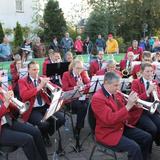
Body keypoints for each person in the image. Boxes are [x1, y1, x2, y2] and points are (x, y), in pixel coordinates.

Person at [91, 72, 152, 160]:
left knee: (147, 137)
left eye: (119, 85)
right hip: (108, 132)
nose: (118, 88)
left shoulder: (115, 92)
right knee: (134, 148)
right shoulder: (98, 98)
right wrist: (128, 106)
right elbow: (110, 119)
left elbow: (123, 105)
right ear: (106, 83)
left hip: (120, 126)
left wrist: (134, 104)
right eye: (116, 85)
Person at [0, 72, 48, 160]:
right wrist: (6, 103)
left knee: (36, 132)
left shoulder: (1, 89)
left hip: (9, 121)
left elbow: (10, 110)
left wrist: (15, 103)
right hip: (1, 129)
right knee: (27, 139)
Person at [18, 61, 65, 146]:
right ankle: (44, 135)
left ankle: (44, 133)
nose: (36, 72)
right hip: (32, 109)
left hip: (45, 106)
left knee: (61, 119)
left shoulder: (42, 78)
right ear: (28, 70)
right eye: (34, 69)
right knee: (43, 124)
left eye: (37, 69)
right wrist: (39, 87)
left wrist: (55, 88)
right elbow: (24, 95)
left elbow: (55, 87)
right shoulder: (22, 81)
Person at [62, 59, 90, 150]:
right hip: (71, 99)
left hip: (82, 97)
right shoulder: (66, 74)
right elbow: (65, 88)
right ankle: (78, 128)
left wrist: (84, 85)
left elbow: (89, 83)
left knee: (87, 104)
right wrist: (75, 87)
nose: (79, 70)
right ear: (72, 67)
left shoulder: (83, 73)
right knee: (82, 106)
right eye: (77, 68)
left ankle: (79, 126)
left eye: (81, 68)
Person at [131, 62, 160, 146]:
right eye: (147, 71)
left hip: (151, 110)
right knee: (153, 128)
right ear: (142, 72)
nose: (150, 73)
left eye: (151, 71)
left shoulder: (154, 82)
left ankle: (157, 142)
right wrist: (148, 91)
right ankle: (147, 146)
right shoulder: (136, 82)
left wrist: (156, 93)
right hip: (140, 111)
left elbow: (158, 98)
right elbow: (135, 99)